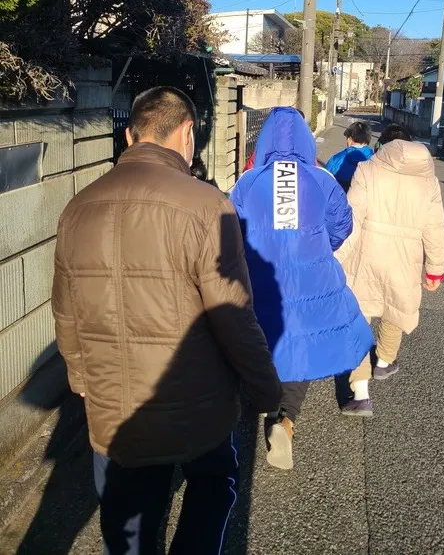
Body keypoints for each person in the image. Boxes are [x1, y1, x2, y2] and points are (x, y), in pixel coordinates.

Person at [52, 86, 282, 554]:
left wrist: (78, 373)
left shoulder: (77, 207)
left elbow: (65, 305)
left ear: (129, 135)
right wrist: (266, 390)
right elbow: (234, 315)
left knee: (128, 519)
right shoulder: (205, 205)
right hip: (196, 401)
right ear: (187, 133)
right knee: (214, 485)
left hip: (114, 404)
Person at [230, 107, 374, 470]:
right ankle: (286, 420)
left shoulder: (249, 181)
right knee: (302, 345)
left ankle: (263, 400)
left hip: (260, 278)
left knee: (263, 339)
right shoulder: (321, 178)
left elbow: (230, 232)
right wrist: (318, 247)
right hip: (313, 278)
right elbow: (342, 226)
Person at [336, 124, 444, 417]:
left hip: (366, 257)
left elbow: (352, 219)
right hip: (405, 260)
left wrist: (335, 259)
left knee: (357, 318)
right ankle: (385, 362)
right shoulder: (429, 182)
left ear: (382, 146)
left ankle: (360, 393)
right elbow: (435, 228)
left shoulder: (367, 170)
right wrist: (435, 269)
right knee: (395, 310)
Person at [243, 108, 319, 172]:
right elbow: (314, 168)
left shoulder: (267, 142)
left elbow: (251, 168)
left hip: (269, 183)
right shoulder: (306, 145)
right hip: (299, 183)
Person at [325, 120, 374, 192]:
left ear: (349, 139)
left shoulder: (336, 159)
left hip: (340, 200)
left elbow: (325, 182)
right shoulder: (375, 160)